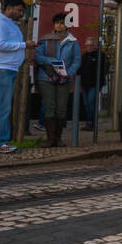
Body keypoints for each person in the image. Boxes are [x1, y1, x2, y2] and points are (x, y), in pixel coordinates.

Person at [0, 0, 34, 153]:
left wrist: (22, 58)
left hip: (5, 67)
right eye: (19, 10)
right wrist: (24, 45)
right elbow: (0, 45)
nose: (21, 13)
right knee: (3, 107)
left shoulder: (7, 23)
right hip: (2, 69)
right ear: (9, 8)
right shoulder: (1, 22)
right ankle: (0, 142)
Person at [34, 12, 82, 146]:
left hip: (64, 78)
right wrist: (52, 61)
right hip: (46, 76)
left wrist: (69, 72)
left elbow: (77, 60)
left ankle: (58, 139)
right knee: (49, 106)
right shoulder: (45, 39)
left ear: (67, 25)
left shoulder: (72, 41)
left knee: (61, 108)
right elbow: (38, 56)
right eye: (57, 23)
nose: (59, 25)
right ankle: (50, 139)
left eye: (62, 23)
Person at [79, 36, 108, 131]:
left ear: (95, 46)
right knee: (86, 104)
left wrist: (99, 80)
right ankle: (89, 122)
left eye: (90, 45)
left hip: (95, 84)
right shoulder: (84, 56)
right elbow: (80, 69)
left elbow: (105, 68)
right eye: (87, 45)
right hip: (84, 84)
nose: (89, 47)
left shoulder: (101, 55)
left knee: (91, 102)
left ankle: (91, 123)